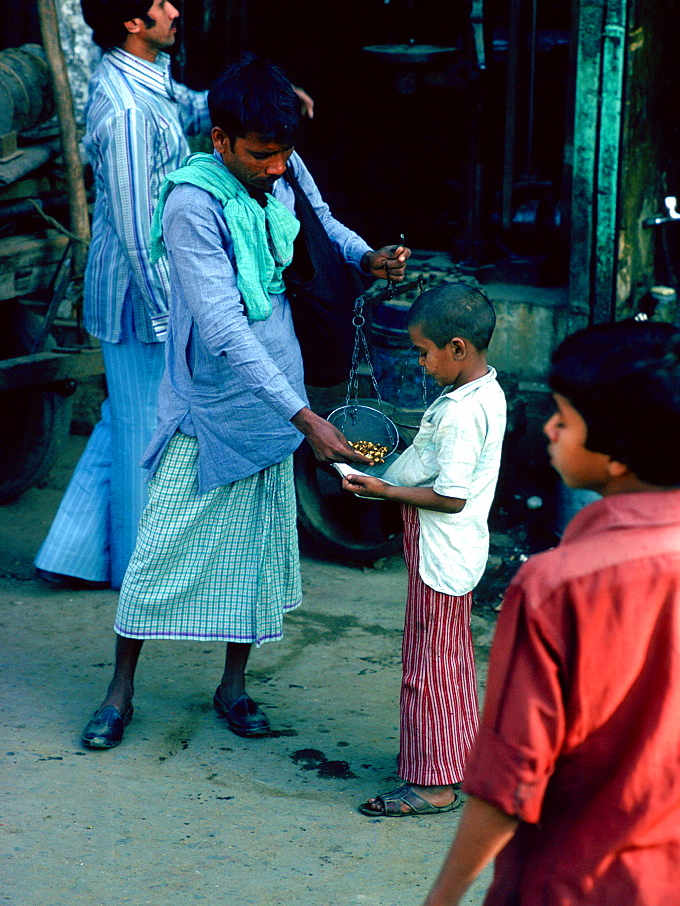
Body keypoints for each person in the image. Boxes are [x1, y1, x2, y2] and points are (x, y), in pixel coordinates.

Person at [79, 55, 411, 750]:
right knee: (159, 550)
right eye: (261, 154)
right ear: (220, 140)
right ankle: (120, 691)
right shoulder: (189, 206)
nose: (276, 167)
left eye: (284, 153)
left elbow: (320, 222)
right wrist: (306, 417)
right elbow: (224, 327)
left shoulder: (282, 165)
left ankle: (234, 686)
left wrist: (365, 257)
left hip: (279, 389)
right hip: (211, 403)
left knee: (256, 556)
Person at [35, 0, 313, 591]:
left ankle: (70, 554)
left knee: (123, 417)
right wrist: (176, 320)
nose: (174, 12)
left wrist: (258, 106)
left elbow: (189, 107)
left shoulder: (145, 78)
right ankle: (142, 577)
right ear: (134, 22)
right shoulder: (128, 111)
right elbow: (139, 232)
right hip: (144, 301)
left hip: (137, 294)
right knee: (147, 435)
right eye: (162, 4)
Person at [420, 320, 680, 906]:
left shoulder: (557, 584)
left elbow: (509, 781)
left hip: (575, 880)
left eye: (565, 415)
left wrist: (445, 894)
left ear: (617, 452)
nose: (551, 427)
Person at [342, 283, 506, 816]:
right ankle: (452, 760)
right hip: (452, 553)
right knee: (449, 663)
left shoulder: (460, 413)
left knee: (429, 668)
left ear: (457, 348)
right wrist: (382, 469)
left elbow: (451, 497)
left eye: (422, 351)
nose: (419, 361)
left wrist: (386, 490)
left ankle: (433, 785)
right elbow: (433, 457)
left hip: (443, 551)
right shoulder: (482, 393)